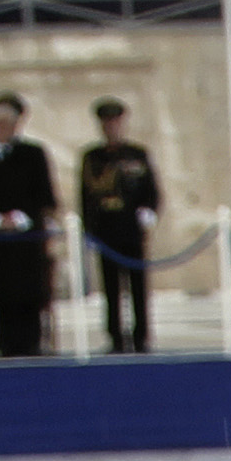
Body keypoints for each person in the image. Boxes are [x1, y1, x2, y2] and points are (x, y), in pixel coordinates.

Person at [0, 91, 58, 357]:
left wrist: (20, 218)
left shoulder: (33, 154)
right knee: (1, 294)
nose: (2, 128)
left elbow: (44, 193)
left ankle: (32, 344)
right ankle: (5, 346)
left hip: (27, 240)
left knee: (29, 294)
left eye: (8, 123)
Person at [78, 97, 161, 354]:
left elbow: (152, 189)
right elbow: (86, 195)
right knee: (111, 287)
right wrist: (88, 228)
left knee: (137, 284)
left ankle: (141, 335)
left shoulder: (136, 154)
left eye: (115, 122)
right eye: (106, 123)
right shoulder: (93, 157)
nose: (111, 127)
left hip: (130, 227)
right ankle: (115, 335)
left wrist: (149, 211)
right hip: (106, 228)